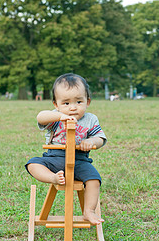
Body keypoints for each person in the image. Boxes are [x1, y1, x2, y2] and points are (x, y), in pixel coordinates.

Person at [25, 73, 107, 225]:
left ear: (87, 101)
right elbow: (40, 117)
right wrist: (59, 116)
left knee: (94, 180)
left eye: (79, 102)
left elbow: (101, 138)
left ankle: (89, 210)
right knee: (33, 164)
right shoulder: (55, 116)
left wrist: (91, 141)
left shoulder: (90, 119)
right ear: (56, 104)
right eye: (66, 103)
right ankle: (53, 177)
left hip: (80, 161)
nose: (73, 107)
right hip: (54, 159)